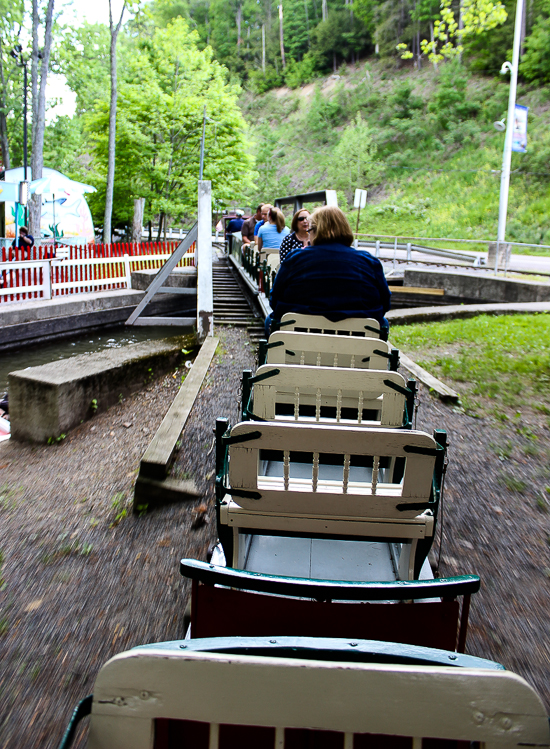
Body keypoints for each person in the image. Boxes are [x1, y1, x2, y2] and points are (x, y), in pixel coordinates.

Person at [266, 206, 390, 337]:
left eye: (310, 231)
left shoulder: (295, 259)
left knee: (271, 320)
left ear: (315, 231)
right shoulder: (369, 262)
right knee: (382, 324)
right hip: (358, 342)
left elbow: (274, 300)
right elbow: (385, 303)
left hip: (300, 342)